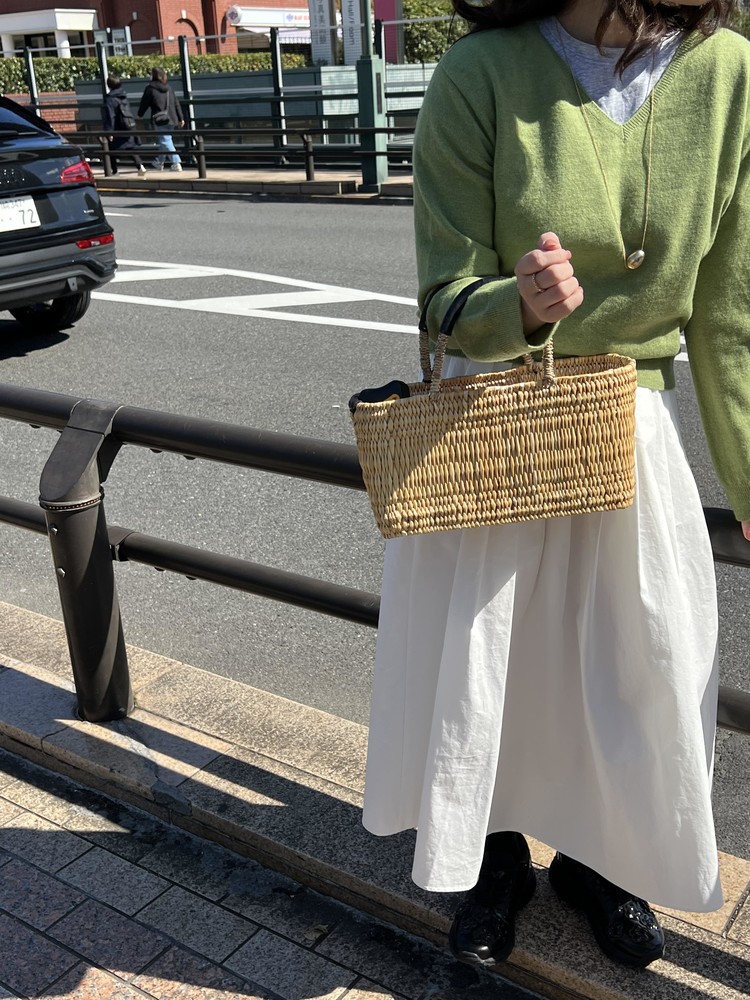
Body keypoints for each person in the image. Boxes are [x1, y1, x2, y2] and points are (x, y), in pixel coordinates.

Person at [362, 0, 750, 972]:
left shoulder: (730, 74)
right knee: (490, 668)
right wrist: (519, 303)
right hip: (495, 428)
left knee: (639, 664)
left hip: (631, 428)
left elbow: (731, 318)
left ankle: (601, 863)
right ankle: (493, 861)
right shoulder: (479, 72)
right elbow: (443, 295)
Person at [137, 67, 185, 172]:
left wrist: (140, 114)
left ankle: (176, 163)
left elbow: (144, 103)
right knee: (165, 140)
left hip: (159, 118)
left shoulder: (150, 88)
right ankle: (159, 161)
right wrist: (181, 118)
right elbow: (176, 103)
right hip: (172, 118)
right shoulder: (169, 88)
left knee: (165, 140)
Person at [102, 75, 145, 175]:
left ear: (109, 85)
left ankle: (114, 170)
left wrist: (109, 131)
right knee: (129, 147)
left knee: (110, 149)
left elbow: (110, 116)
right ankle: (140, 166)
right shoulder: (123, 96)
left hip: (117, 127)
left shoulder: (110, 99)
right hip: (128, 125)